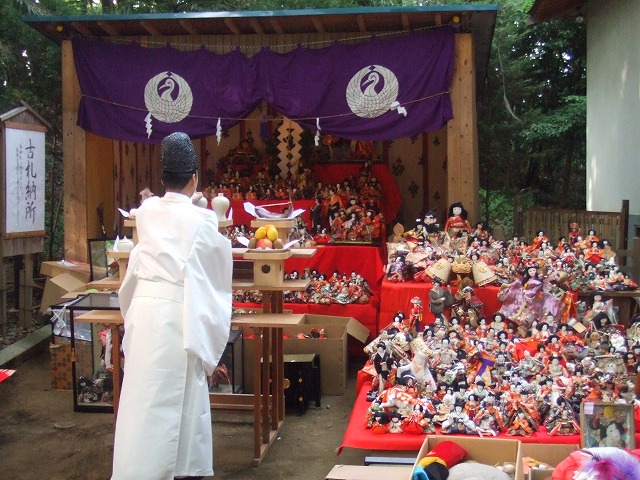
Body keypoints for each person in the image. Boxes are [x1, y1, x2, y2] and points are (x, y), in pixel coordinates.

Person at [111, 132, 233, 480]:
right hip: (178, 317)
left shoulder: (147, 211)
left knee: (142, 403)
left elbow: (137, 260)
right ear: (194, 178)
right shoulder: (203, 219)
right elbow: (215, 269)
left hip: (145, 313)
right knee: (178, 404)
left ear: (162, 178)